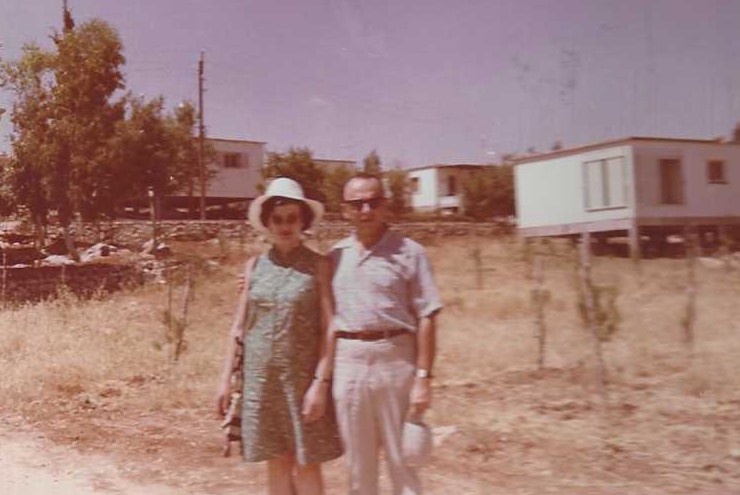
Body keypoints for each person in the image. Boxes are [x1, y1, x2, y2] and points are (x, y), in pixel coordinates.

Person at [216, 177, 343, 495]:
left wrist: (320, 384)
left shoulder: (319, 265)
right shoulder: (254, 266)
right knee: (276, 460)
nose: (285, 226)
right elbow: (239, 326)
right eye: (278, 219)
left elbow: (331, 328)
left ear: (303, 221)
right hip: (262, 381)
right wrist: (225, 380)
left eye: (292, 218)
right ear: (267, 223)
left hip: (302, 383)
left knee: (307, 461)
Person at [329, 173, 442, 495]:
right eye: (357, 204)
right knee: (357, 467)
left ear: (385, 206)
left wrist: (424, 377)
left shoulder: (410, 252)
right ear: (345, 210)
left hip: (395, 361)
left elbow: (428, 315)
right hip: (349, 362)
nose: (366, 210)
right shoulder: (334, 256)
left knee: (403, 460)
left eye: (373, 202)